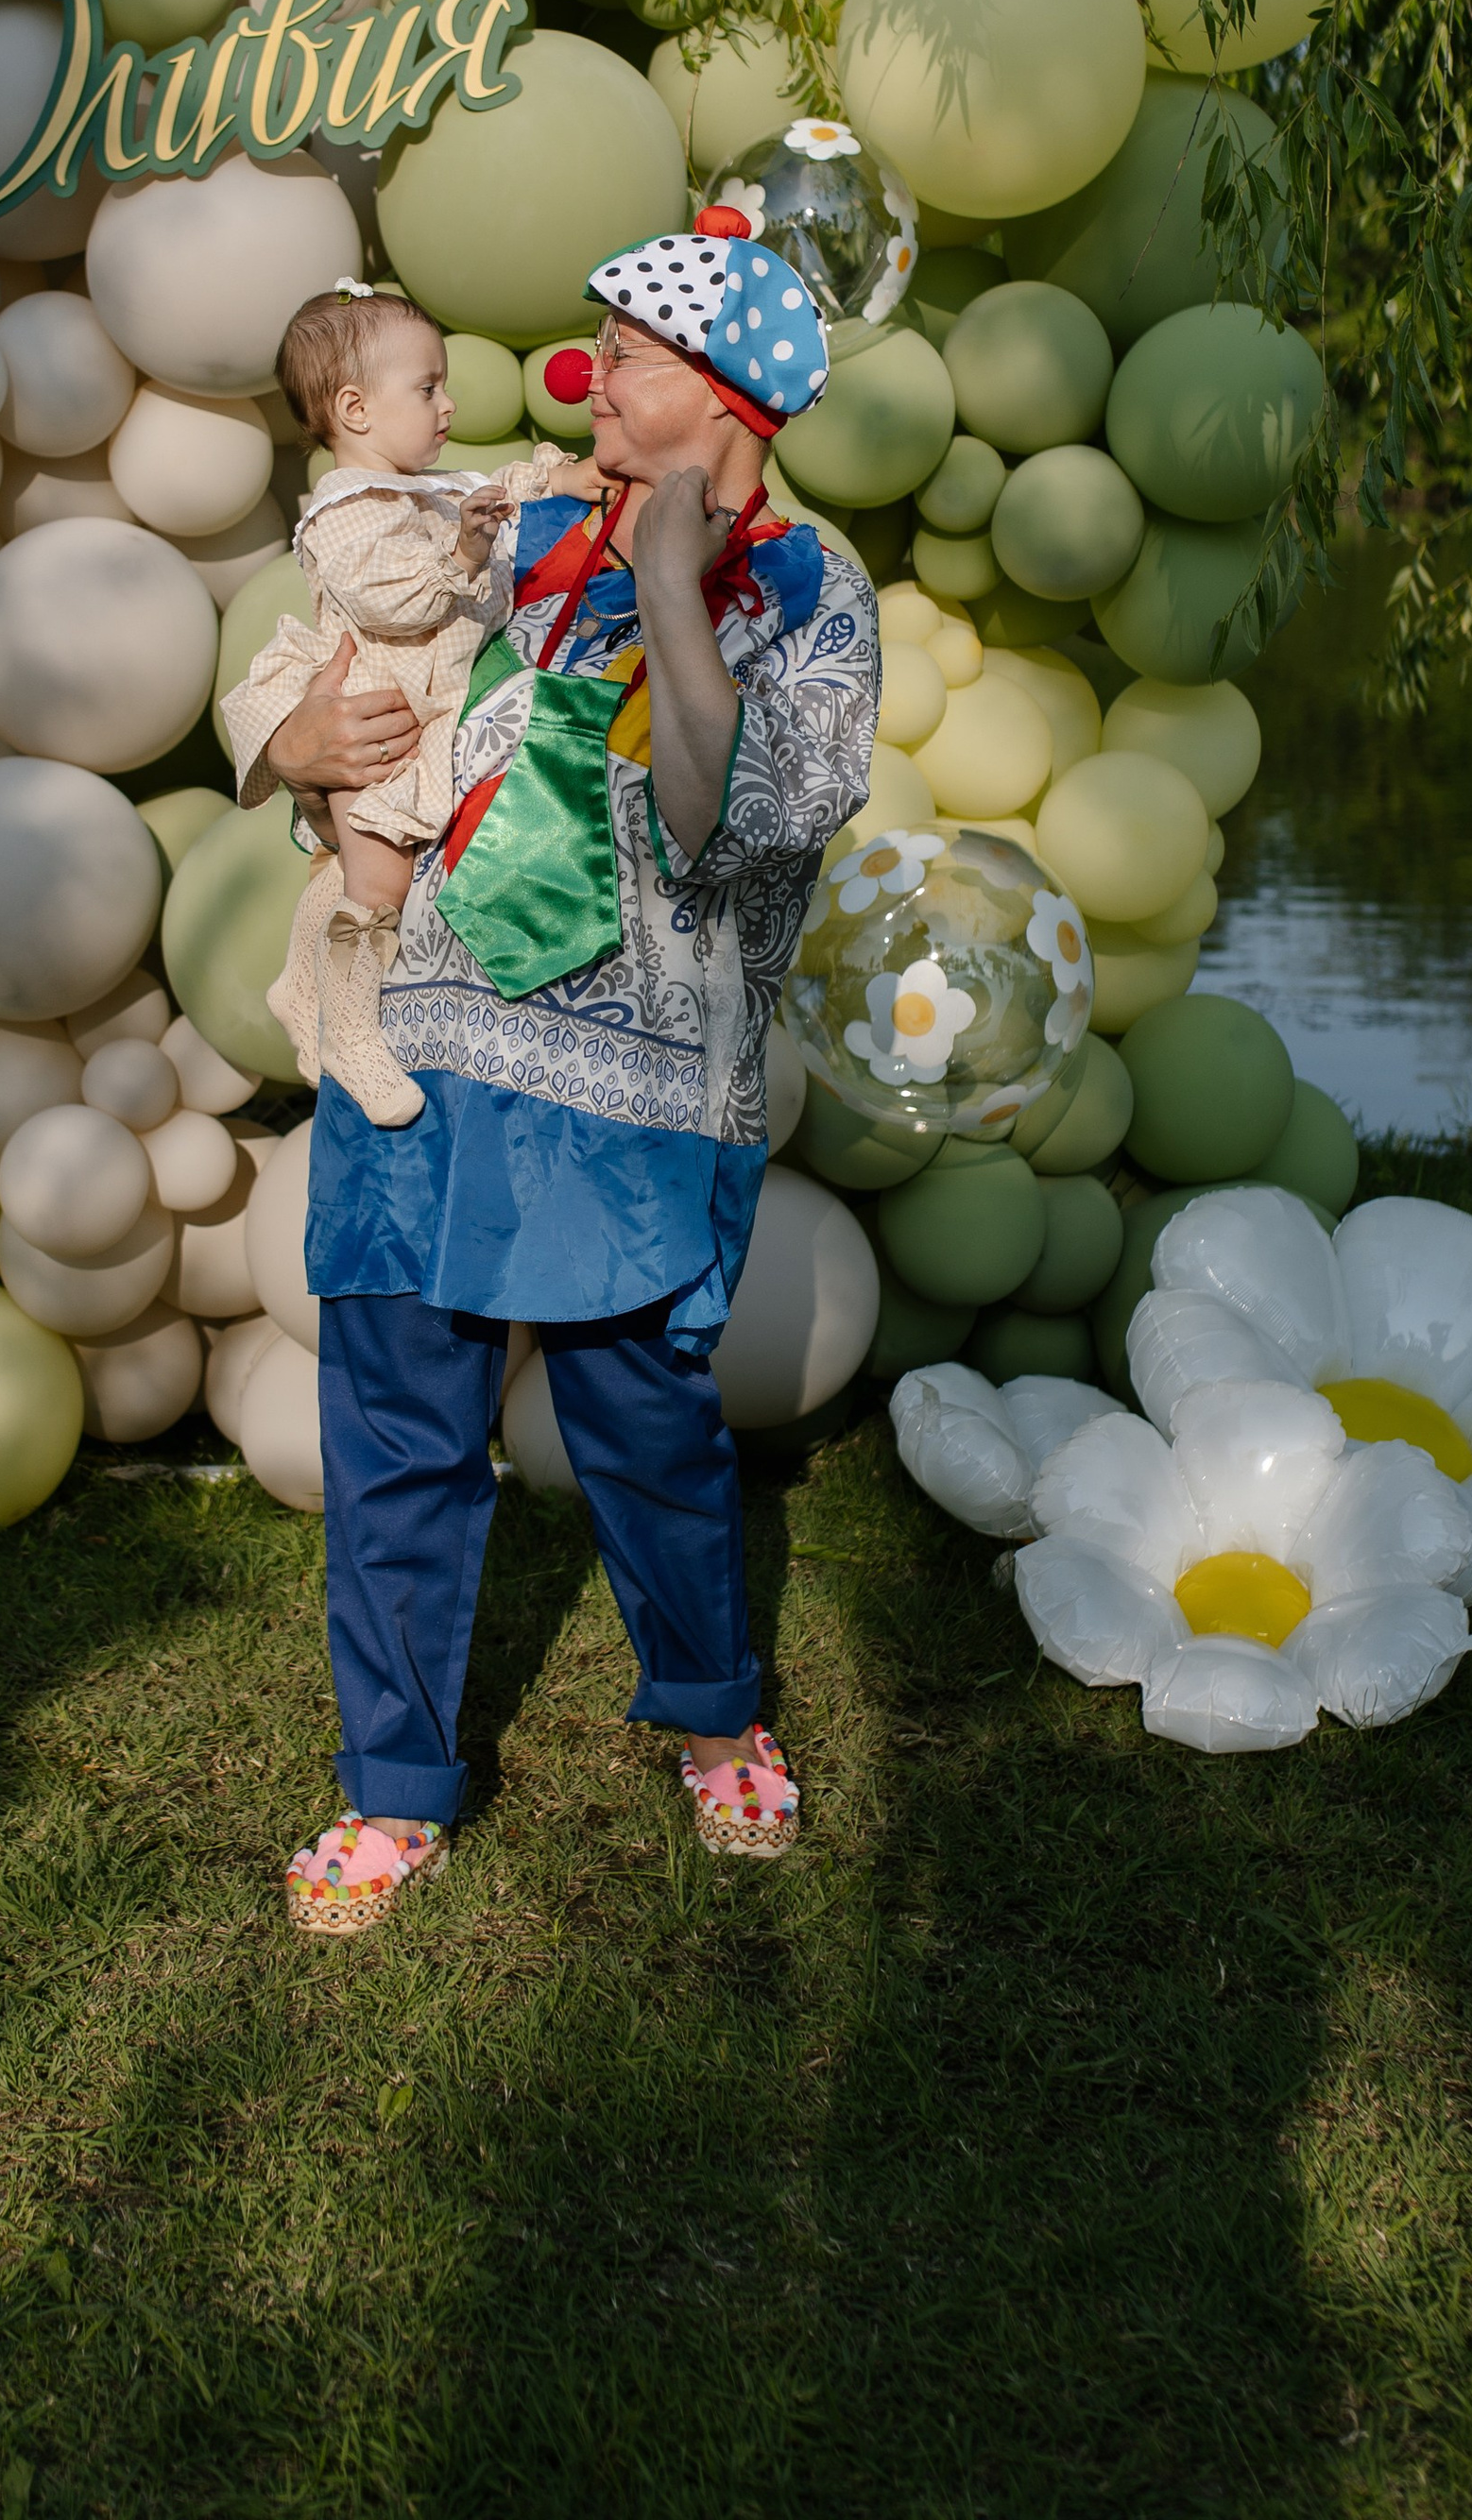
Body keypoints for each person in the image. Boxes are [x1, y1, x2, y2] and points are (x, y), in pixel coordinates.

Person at [239, 213, 880, 1934]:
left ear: (731, 397)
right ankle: (394, 1785)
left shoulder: (816, 600)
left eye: (633, 363)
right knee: (392, 1423)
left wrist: (671, 588)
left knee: (648, 1429)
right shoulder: (502, 524)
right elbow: (331, 624)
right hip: (424, 1046)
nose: (588, 387)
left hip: (644, 1081)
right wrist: (288, 748)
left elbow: (718, 820)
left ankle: (710, 1704)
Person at [231, 285, 591, 1125]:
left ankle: (301, 982)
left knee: (343, 865)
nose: (448, 404)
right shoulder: (346, 512)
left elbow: (499, 489)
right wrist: (466, 546)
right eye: (426, 389)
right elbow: (394, 600)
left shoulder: (420, 489)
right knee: (379, 879)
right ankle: (352, 1032)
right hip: (376, 715)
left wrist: (562, 477)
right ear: (354, 408)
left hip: (419, 710)